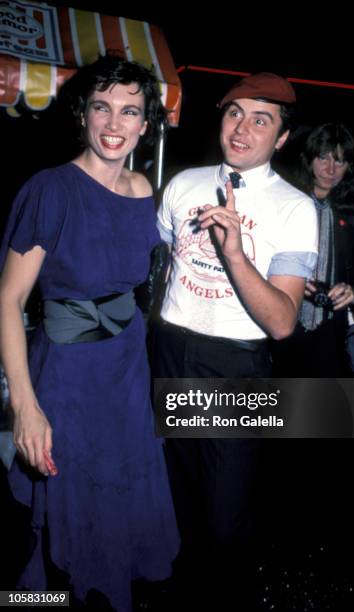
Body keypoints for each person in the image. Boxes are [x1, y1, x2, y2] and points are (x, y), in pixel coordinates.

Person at [0, 54, 179, 611]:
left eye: (130, 111)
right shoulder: (50, 190)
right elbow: (8, 299)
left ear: (146, 125)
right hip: (68, 378)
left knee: (119, 510)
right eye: (103, 107)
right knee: (64, 520)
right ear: (83, 114)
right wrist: (26, 408)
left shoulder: (145, 189)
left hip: (127, 375)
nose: (114, 123)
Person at [151, 72, 318, 609]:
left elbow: (283, 322)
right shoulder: (183, 184)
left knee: (226, 521)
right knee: (176, 498)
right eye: (234, 114)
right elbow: (155, 265)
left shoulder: (296, 208)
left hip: (234, 366)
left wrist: (236, 255)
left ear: (282, 138)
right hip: (171, 348)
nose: (243, 129)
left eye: (261, 120)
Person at [271, 123, 354, 377]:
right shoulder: (284, 204)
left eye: (340, 162)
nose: (330, 170)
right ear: (309, 159)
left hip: (331, 332)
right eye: (323, 158)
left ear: (350, 167)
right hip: (279, 321)